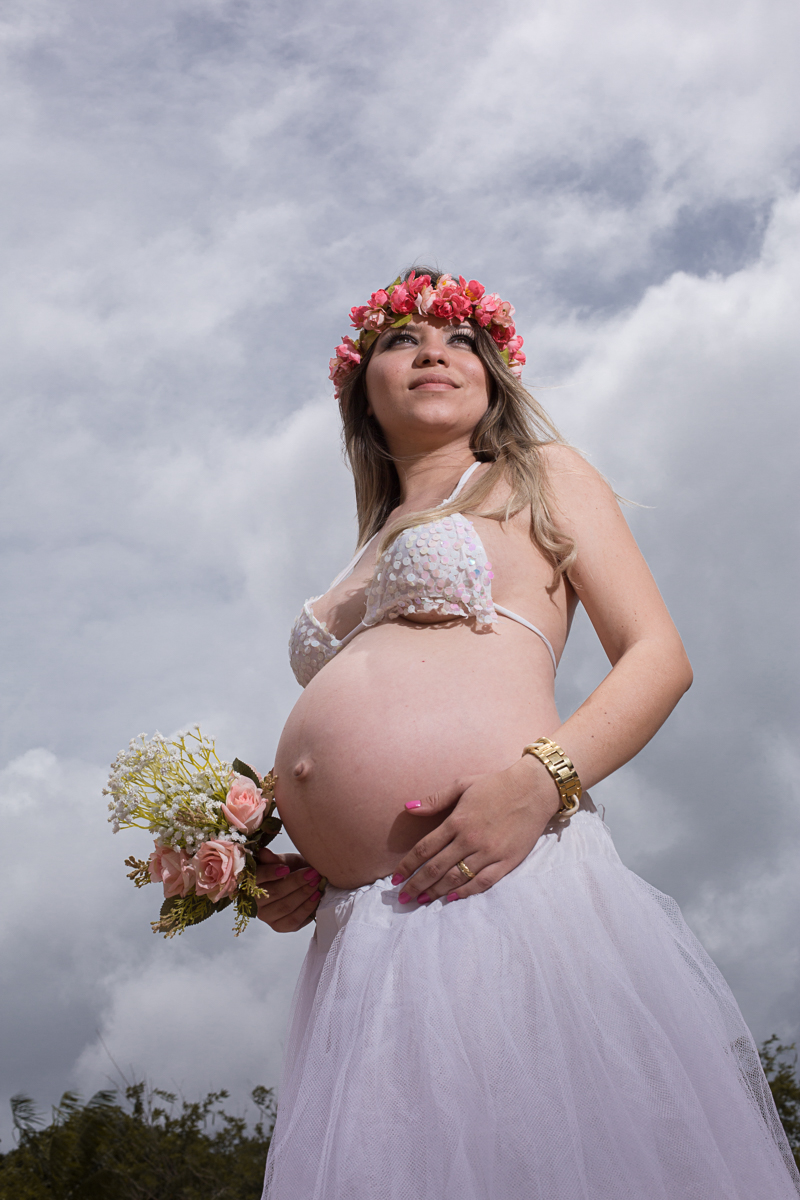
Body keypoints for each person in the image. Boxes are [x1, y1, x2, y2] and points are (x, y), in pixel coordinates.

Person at [255, 269, 799, 1199]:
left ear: (493, 376)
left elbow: (658, 656)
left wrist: (542, 779)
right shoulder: (366, 544)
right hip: (363, 936)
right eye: (401, 340)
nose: (434, 350)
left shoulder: (537, 476)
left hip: (494, 887)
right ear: (361, 389)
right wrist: (285, 851)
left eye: (460, 339)